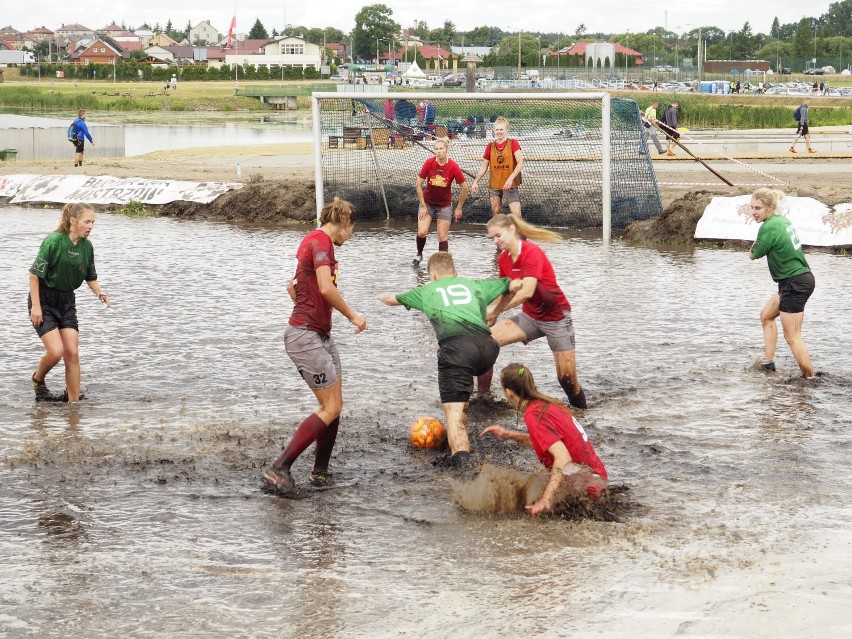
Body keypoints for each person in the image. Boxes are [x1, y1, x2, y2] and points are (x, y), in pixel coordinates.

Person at [263, 198, 368, 496]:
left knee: (335, 406)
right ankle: (278, 467)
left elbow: (291, 286)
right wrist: (352, 315)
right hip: (305, 336)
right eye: (351, 230)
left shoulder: (313, 239)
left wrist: (311, 310)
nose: (350, 236)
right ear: (343, 224)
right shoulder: (322, 242)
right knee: (331, 406)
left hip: (317, 333)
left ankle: (320, 473)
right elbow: (324, 287)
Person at [378, 252, 511, 466]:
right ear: (455, 272)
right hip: (488, 349)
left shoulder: (426, 290)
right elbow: (513, 286)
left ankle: (463, 468)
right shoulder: (474, 284)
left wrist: (379, 295)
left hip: (457, 351)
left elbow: (390, 299)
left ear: (432, 276)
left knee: (453, 415)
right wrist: (496, 311)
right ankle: (475, 404)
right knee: (466, 385)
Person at [478, 214, 587, 409]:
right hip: (530, 316)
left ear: (511, 230)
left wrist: (495, 310)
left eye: (498, 235)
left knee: (567, 379)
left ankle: (582, 416)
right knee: (485, 343)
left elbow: (526, 292)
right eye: (491, 238)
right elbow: (506, 291)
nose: (495, 241)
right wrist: (492, 312)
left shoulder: (531, 252)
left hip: (557, 318)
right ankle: (483, 401)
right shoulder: (503, 259)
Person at [481, 363, 608, 514]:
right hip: (599, 482)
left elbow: (563, 457)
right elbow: (547, 442)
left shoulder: (533, 415)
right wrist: (509, 435)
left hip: (587, 493)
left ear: (508, 392)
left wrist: (547, 498)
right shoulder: (548, 403)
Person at [28, 203, 111, 403]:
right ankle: (38, 379)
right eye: (87, 222)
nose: (91, 226)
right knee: (56, 352)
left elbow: (90, 276)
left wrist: (99, 291)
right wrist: (36, 307)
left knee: (72, 353)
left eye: (93, 222)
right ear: (73, 221)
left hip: (66, 302)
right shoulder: (54, 241)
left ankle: (73, 407)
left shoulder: (87, 247)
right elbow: (33, 275)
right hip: (44, 299)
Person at [748, 188, 816, 379]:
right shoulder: (781, 220)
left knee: (792, 337)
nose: (754, 211)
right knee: (766, 316)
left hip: (795, 282)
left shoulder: (768, 226)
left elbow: (753, 254)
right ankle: (768, 363)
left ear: (770, 207)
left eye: (758, 208)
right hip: (795, 281)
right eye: (751, 207)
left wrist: (756, 242)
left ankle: (809, 378)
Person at [412, 137, 469, 266]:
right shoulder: (429, 163)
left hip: (444, 205)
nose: (438, 152)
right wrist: (422, 205)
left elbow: (465, 187)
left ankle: (443, 264)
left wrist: (459, 207)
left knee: (442, 237)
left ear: (446, 150)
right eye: (436, 149)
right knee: (422, 232)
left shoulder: (453, 166)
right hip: (428, 203)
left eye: (441, 149)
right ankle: (419, 254)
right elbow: (418, 185)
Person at [471, 116, 524, 217]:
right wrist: (475, 181)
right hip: (495, 183)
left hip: (510, 183)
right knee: (496, 211)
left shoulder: (513, 143)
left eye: (501, 129)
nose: (499, 132)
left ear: (507, 130)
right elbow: (484, 166)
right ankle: (498, 232)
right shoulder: (490, 146)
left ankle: (518, 231)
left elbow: (520, 161)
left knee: (516, 213)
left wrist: (510, 179)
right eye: (497, 129)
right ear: (494, 130)